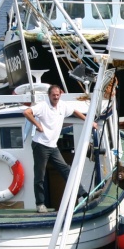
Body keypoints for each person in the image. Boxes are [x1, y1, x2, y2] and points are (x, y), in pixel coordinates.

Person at [23, 84, 95, 213]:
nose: (55, 97)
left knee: (66, 170)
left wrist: (89, 122)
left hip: (53, 146)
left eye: (57, 95)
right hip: (40, 145)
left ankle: (84, 195)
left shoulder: (62, 105)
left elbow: (74, 111)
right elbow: (27, 112)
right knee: (40, 175)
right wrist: (37, 125)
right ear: (49, 95)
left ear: (60, 94)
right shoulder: (43, 106)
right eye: (53, 95)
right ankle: (40, 204)